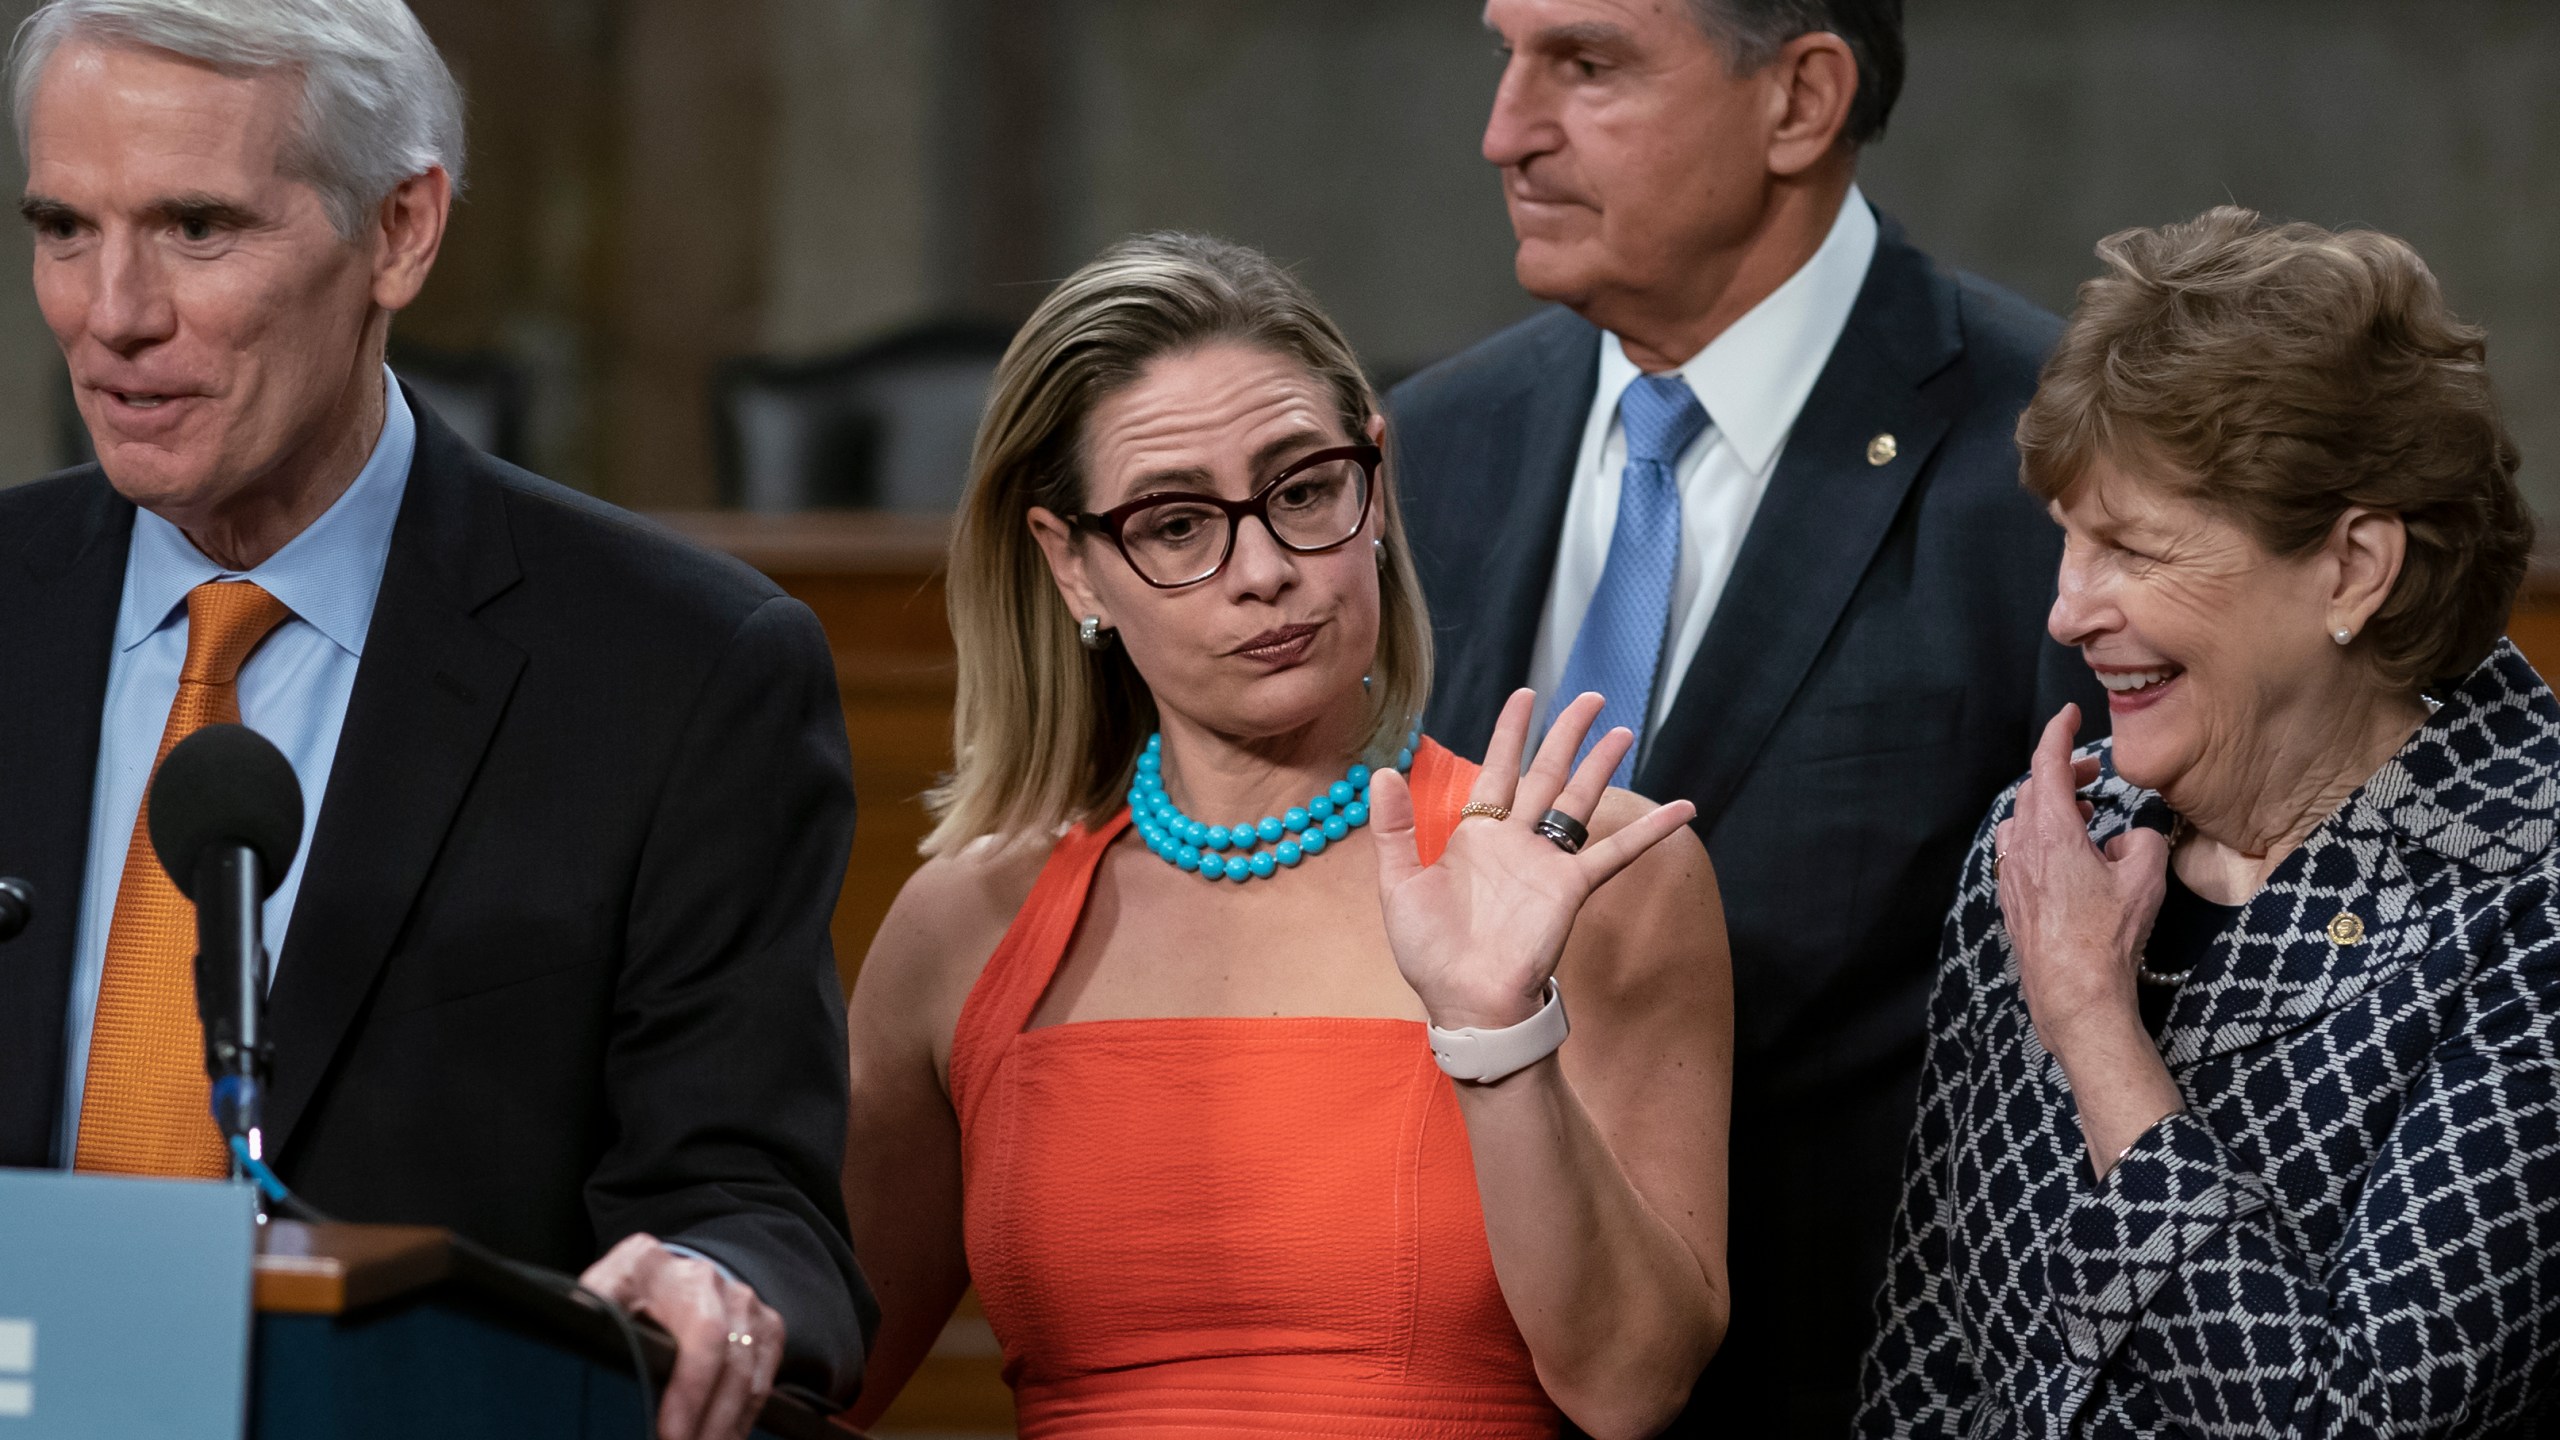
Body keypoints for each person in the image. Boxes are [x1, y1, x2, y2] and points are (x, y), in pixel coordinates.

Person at [0, 4, 871, 1436]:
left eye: (199, 227)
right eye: (63, 227)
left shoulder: (680, 672)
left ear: (402, 229)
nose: (113, 314)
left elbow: (748, 1201)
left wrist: (711, 1279)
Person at [840, 232, 1732, 1440]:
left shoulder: (1588, 870)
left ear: (1374, 479)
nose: (1261, 571)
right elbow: (804, 1381)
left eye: (1303, 491)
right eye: (1173, 526)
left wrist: (1495, 1028)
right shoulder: (964, 924)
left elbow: (1630, 1387)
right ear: (1072, 567)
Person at [1387, 0, 2106, 1429]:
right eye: (1508, 58)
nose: (1505, 132)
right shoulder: (1426, 441)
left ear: (1800, 101)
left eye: (1586, 67)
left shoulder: (2058, 458)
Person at [1857, 207, 2560, 1436]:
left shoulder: (2531, 896)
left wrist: (2092, 1027)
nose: (2066, 614)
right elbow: (1929, 1363)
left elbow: (2348, 1420)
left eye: (2128, 549)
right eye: (2067, 544)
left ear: (2351, 569)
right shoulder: (2041, 849)